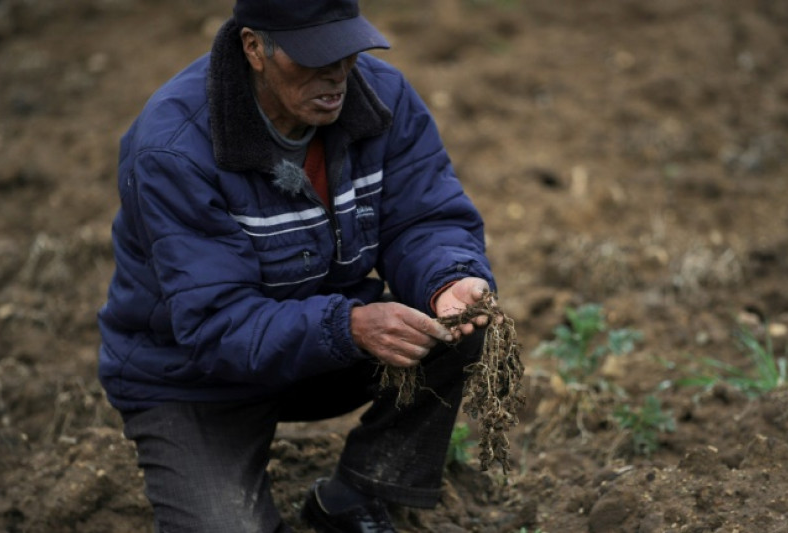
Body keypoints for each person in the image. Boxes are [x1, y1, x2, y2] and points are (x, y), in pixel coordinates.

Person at [96, 0, 498, 531]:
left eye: (347, 52)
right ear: (254, 48)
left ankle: (354, 496)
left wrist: (447, 278)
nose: (336, 74)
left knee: (457, 320)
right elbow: (216, 324)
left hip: (320, 349)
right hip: (193, 379)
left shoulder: (382, 97)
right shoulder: (175, 148)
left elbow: (423, 218)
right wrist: (348, 326)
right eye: (313, 58)